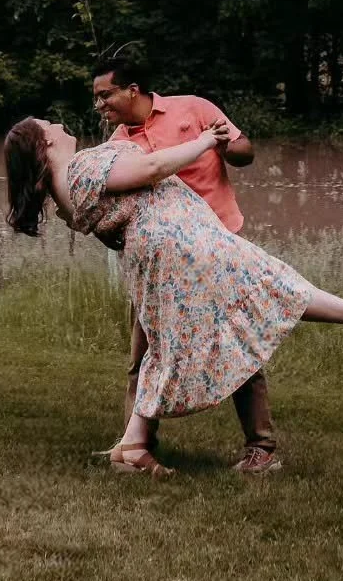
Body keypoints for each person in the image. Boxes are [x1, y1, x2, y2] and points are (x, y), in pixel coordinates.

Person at [3, 114, 343, 477]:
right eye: (50, 125)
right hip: (181, 244)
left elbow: (124, 193)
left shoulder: (64, 191)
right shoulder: (79, 169)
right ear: (45, 143)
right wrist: (204, 142)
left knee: (180, 340)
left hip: (167, 249)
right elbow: (151, 168)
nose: (59, 125)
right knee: (269, 285)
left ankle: (133, 445)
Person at [92, 58, 275, 475]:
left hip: (220, 247)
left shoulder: (193, 109)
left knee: (238, 345)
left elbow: (245, 152)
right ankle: (134, 446)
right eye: (96, 98)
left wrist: (227, 144)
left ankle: (261, 449)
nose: (99, 105)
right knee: (143, 352)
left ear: (132, 90)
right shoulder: (118, 145)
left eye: (105, 95)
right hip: (161, 262)